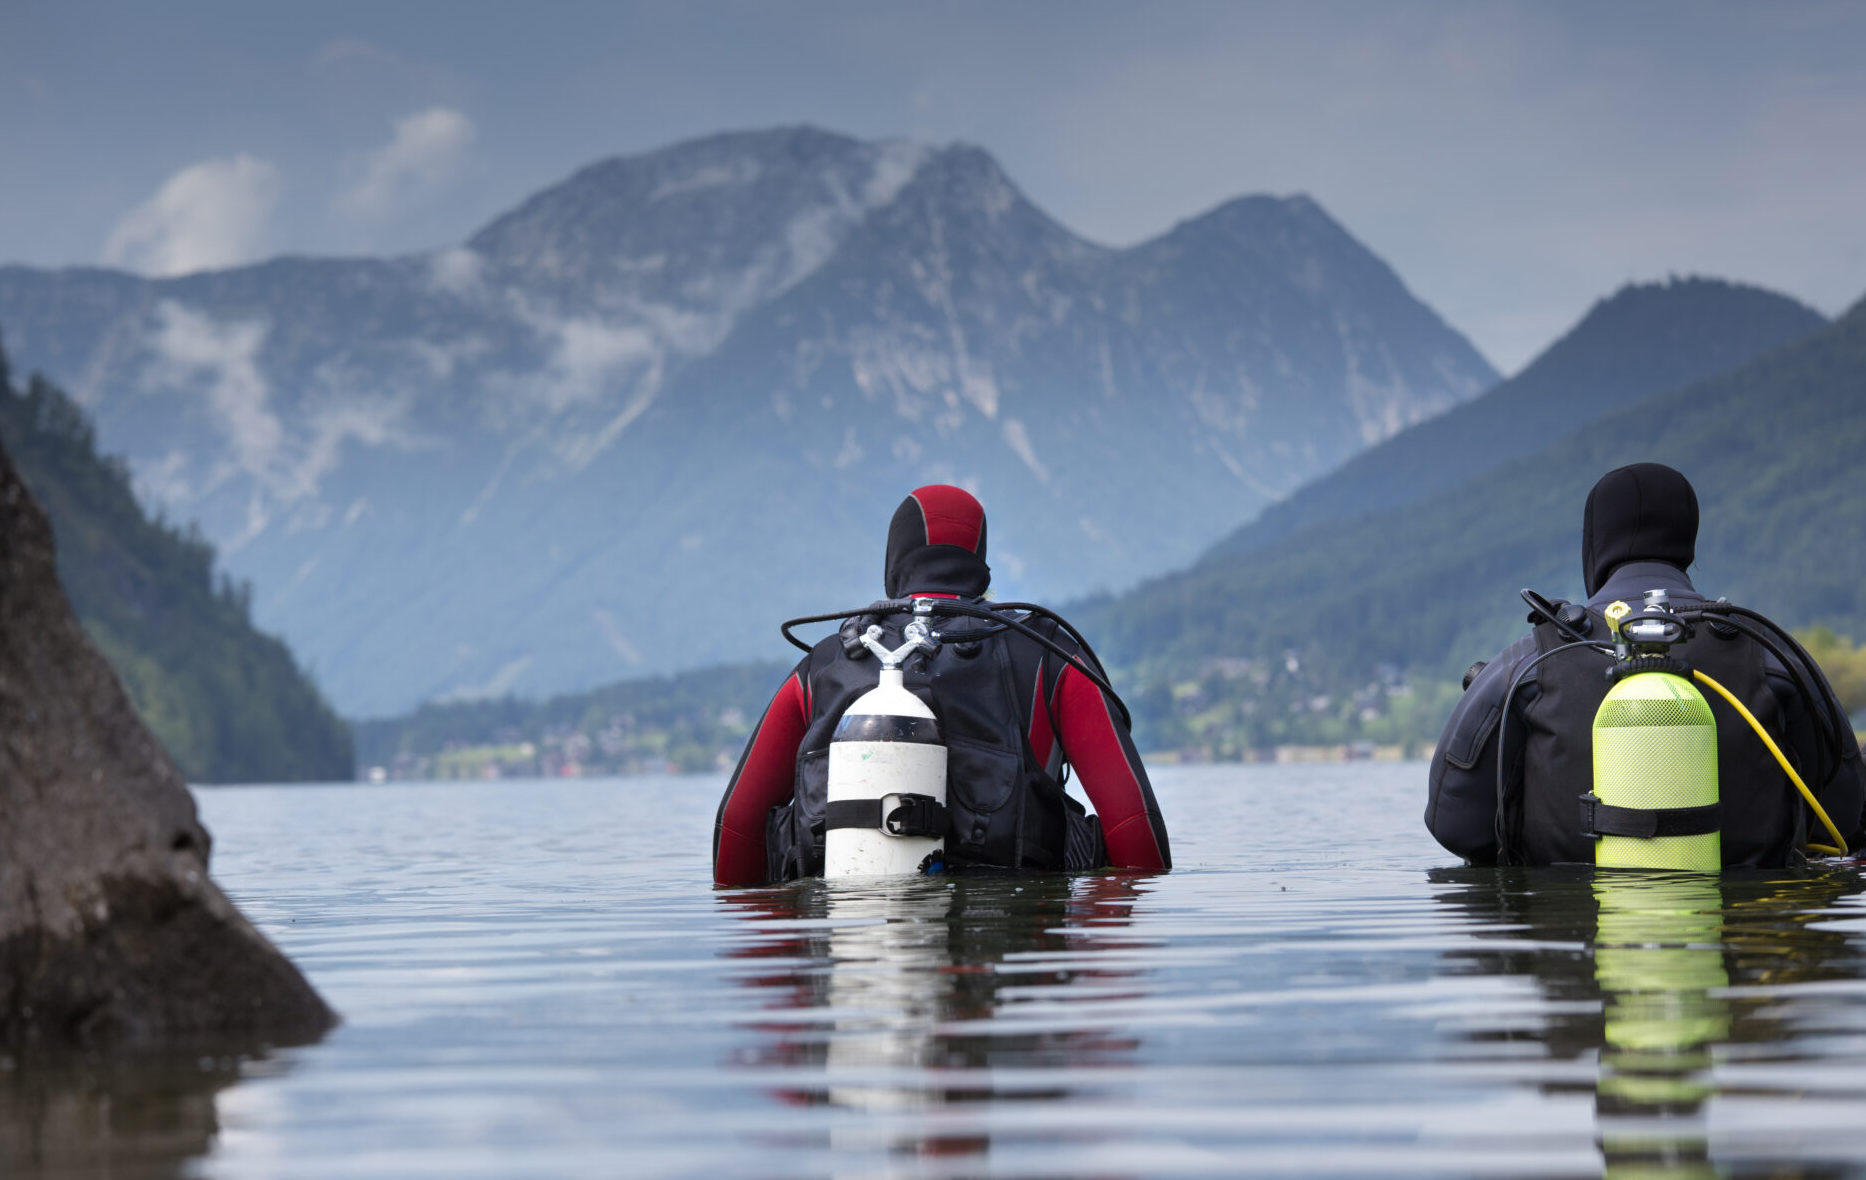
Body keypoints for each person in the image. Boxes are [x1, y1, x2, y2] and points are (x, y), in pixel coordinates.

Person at [713, 484, 1171, 885]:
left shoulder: (823, 664)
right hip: (1010, 962)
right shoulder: (1049, 656)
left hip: (850, 951)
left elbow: (736, 824)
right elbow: (1136, 827)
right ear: (980, 566)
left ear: (894, 564)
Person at [1426, 462, 1865, 867]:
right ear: (1687, 541)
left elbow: (1453, 823)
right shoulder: (1766, 652)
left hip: (1566, 933)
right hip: (1750, 935)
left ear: (1594, 543)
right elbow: (1845, 815)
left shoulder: (1532, 660)